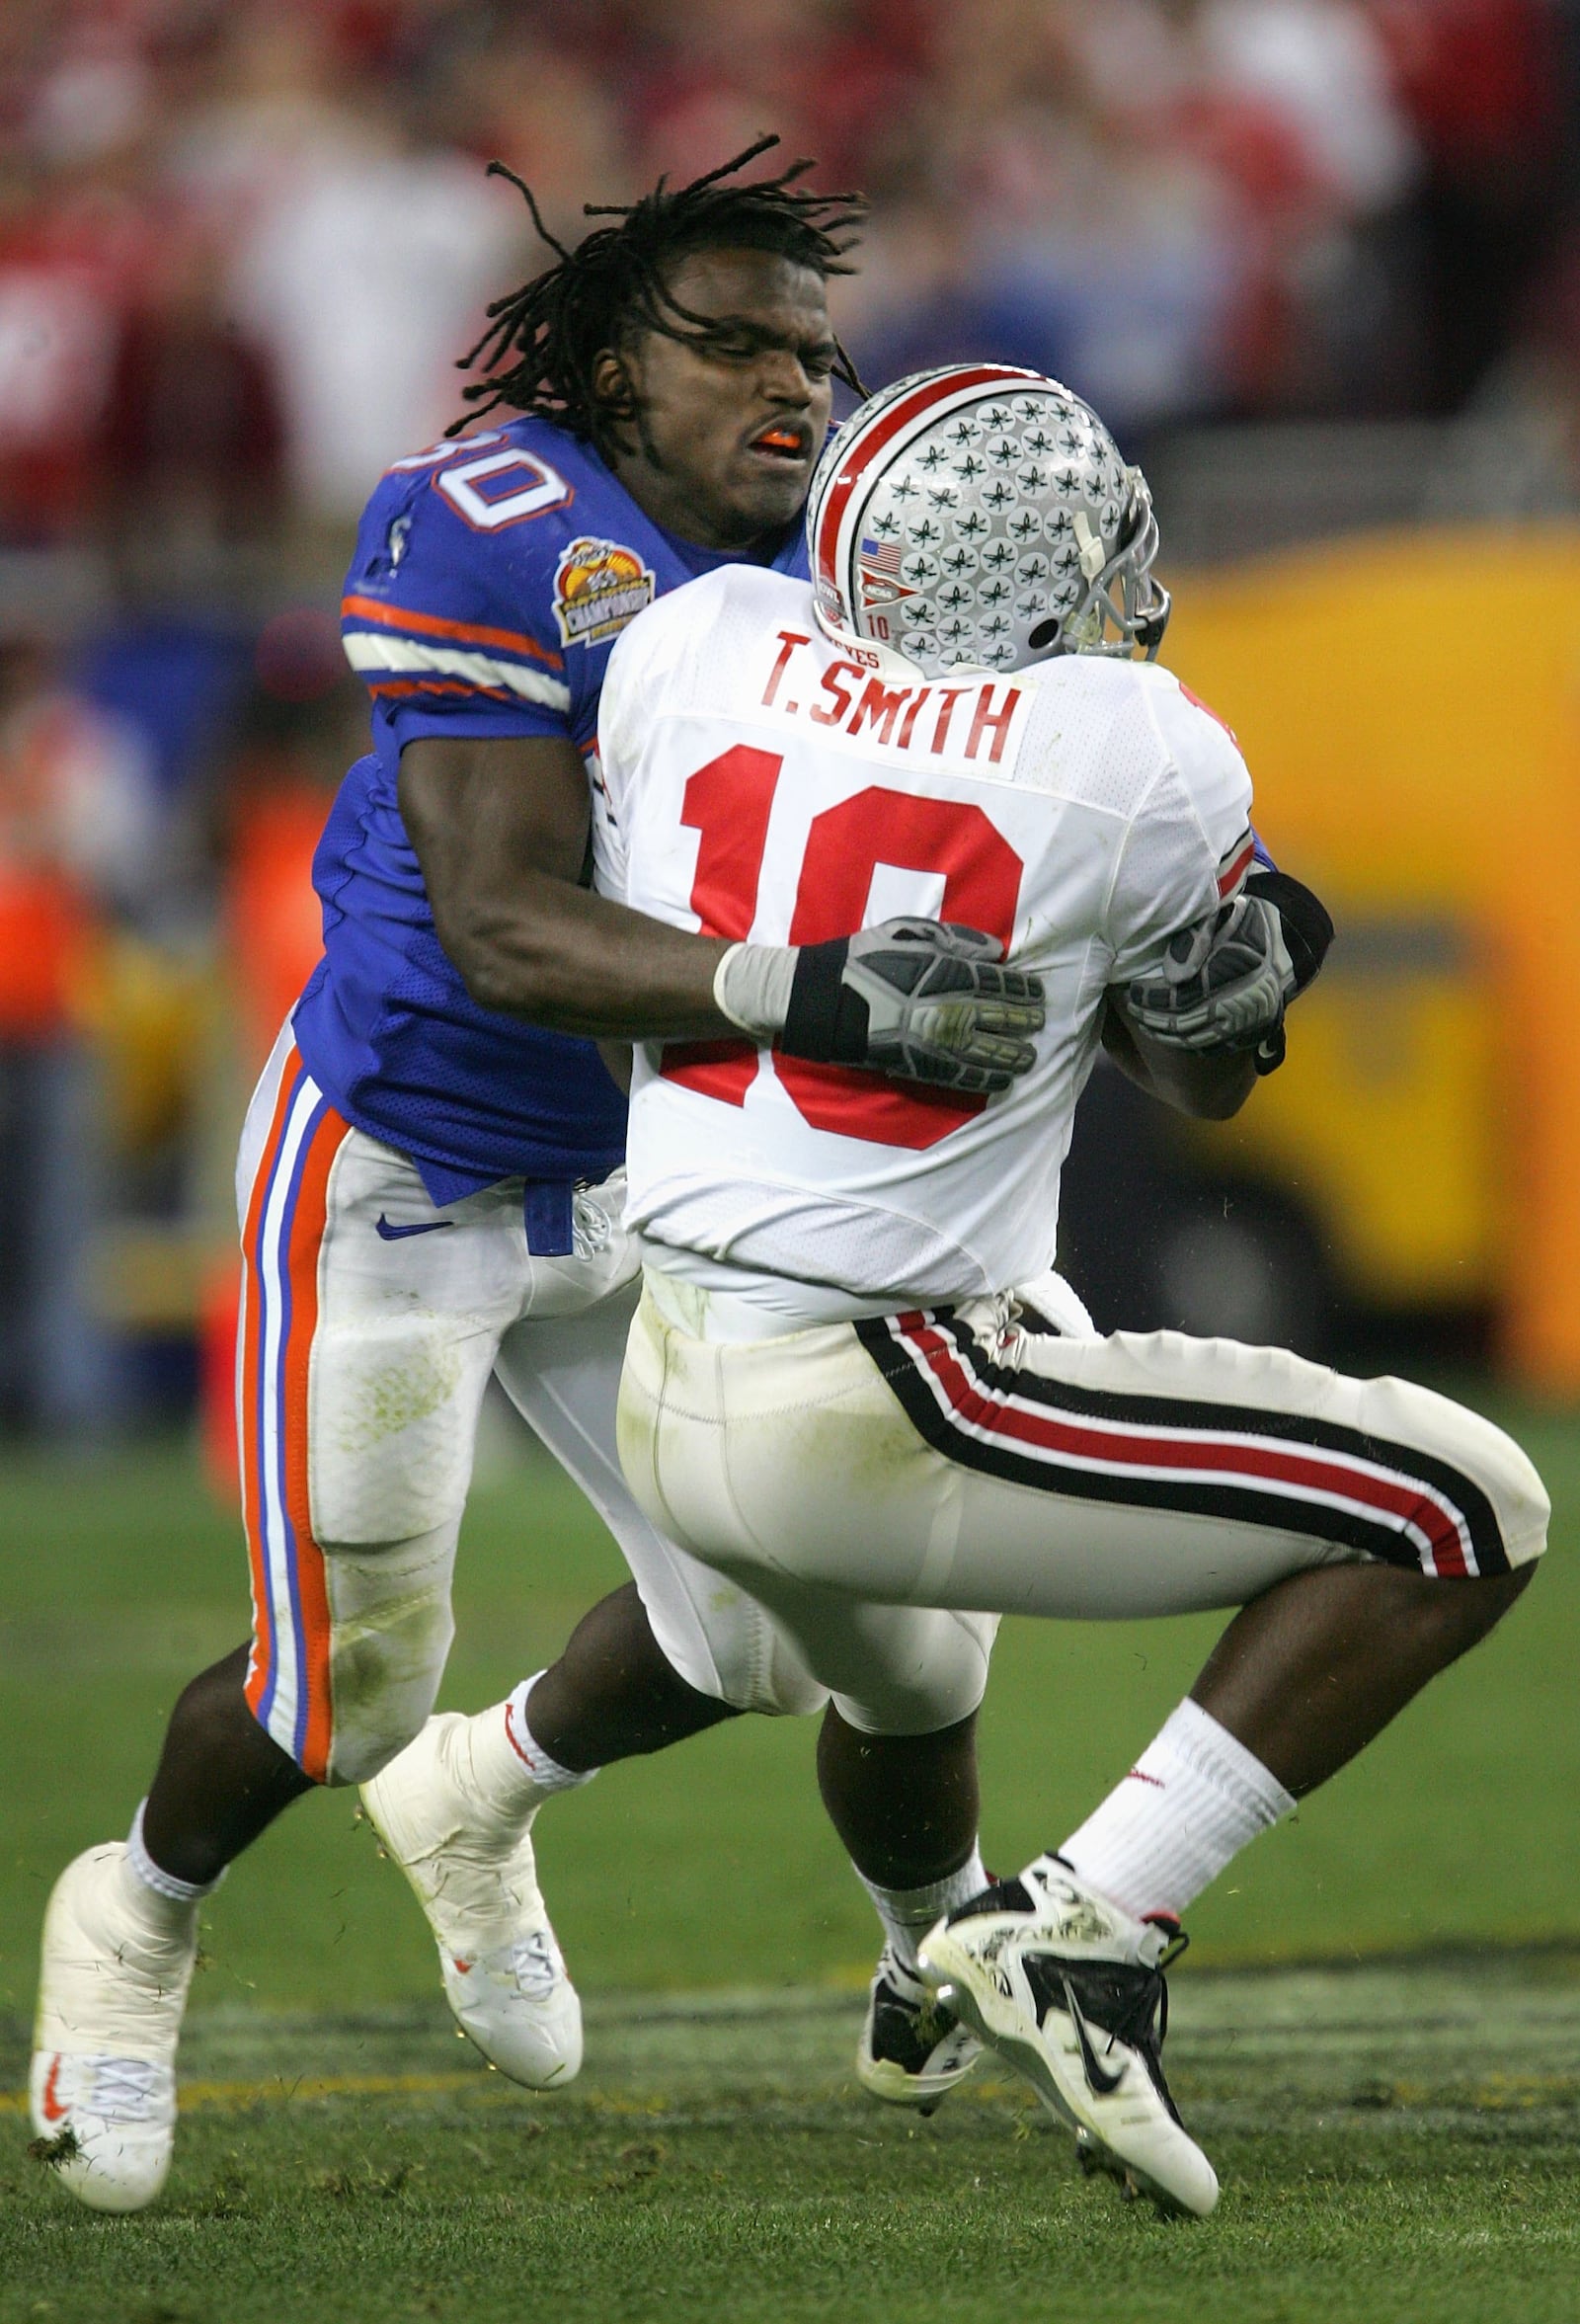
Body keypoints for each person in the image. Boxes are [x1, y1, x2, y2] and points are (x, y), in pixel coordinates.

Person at [29, 151, 1046, 2215]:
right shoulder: (496, 520)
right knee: (340, 1685)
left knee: (780, 1629)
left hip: (658, 1173)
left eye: (810, 349)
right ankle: (126, 1917)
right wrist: (798, 991)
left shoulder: (839, 559)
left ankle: (481, 1802)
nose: (789, 381)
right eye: (733, 341)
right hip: (413, 1149)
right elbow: (501, 923)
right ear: (605, 359)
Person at [592, 361, 1549, 2217]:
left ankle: (917, 1953)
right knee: (1466, 1506)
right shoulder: (1132, 742)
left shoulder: (695, 639)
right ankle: (1088, 1925)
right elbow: (1199, 1065)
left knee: (917, 1667)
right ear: (1039, 578)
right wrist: (1250, 960)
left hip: (678, 1352)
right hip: (874, 1383)